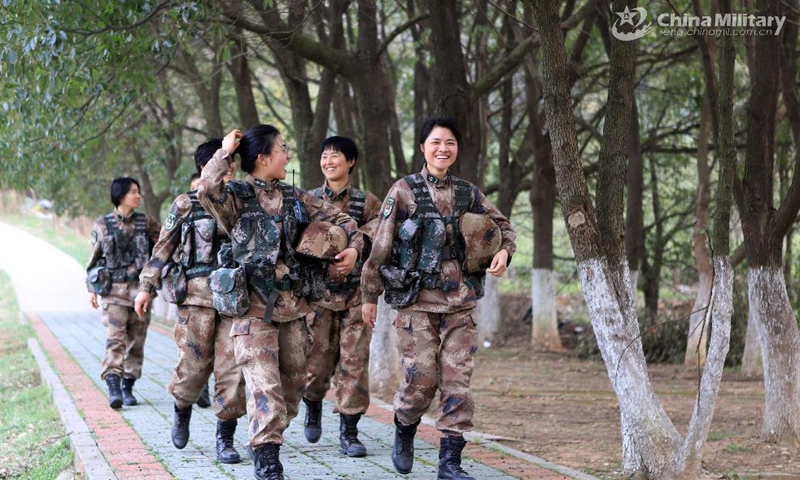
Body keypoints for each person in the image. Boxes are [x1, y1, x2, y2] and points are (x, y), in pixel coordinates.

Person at [196, 125, 364, 480]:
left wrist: (353, 248)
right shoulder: (235, 196)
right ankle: (267, 461)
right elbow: (207, 188)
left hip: (294, 310)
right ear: (263, 158)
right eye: (282, 148)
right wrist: (225, 151)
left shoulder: (295, 196)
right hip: (252, 311)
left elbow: (342, 219)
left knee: (291, 390)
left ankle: (265, 437)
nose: (288, 155)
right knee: (265, 387)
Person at [361, 117, 517, 480]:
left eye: (450, 143)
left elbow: (503, 226)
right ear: (422, 148)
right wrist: (370, 294)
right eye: (435, 142)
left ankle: (450, 462)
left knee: (457, 382)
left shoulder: (468, 193)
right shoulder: (403, 191)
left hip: (461, 302)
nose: (443, 149)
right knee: (421, 383)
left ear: (456, 148)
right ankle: (404, 426)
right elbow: (381, 244)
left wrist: (504, 252)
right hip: (416, 302)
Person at [134, 139, 246, 463]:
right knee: (192, 370)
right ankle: (182, 409)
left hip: (234, 302)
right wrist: (146, 286)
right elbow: (163, 246)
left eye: (232, 161)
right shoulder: (185, 203)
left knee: (232, 371)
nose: (230, 167)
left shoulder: (240, 201)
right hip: (196, 301)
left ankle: (225, 439)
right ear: (206, 166)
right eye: (224, 160)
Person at [302, 136, 382, 457]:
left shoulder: (367, 202)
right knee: (316, 364)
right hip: (318, 297)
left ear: (350, 162)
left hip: (355, 296)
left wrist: (357, 244)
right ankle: (312, 402)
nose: (329, 161)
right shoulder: (308, 200)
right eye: (324, 156)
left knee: (354, 363)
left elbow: (382, 235)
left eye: (335, 156)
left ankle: (349, 431)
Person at [86, 177, 160, 409]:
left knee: (136, 342)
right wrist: (91, 290)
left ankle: (128, 386)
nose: (138, 196)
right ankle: (114, 387)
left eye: (138, 192)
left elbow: (163, 248)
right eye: (133, 192)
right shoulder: (103, 224)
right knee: (116, 339)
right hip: (113, 293)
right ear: (120, 195)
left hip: (141, 293)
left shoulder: (146, 222)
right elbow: (93, 260)